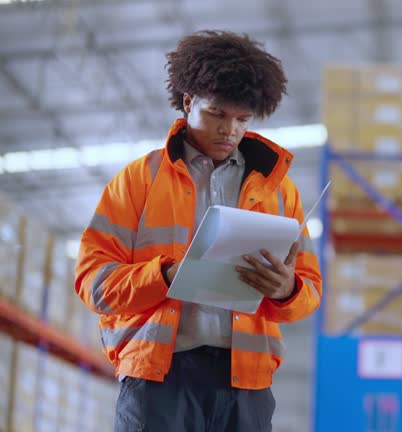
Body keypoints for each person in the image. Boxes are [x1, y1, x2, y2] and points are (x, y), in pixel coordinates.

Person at [74, 30, 322, 432]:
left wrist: (285, 289)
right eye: (217, 115)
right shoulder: (138, 181)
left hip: (247, 385)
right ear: (188, 102)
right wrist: (166, 275)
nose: (231, 131)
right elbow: (93, 283)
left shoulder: (280, 191)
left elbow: (309, 292)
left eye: (243, 119)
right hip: (157, 380)